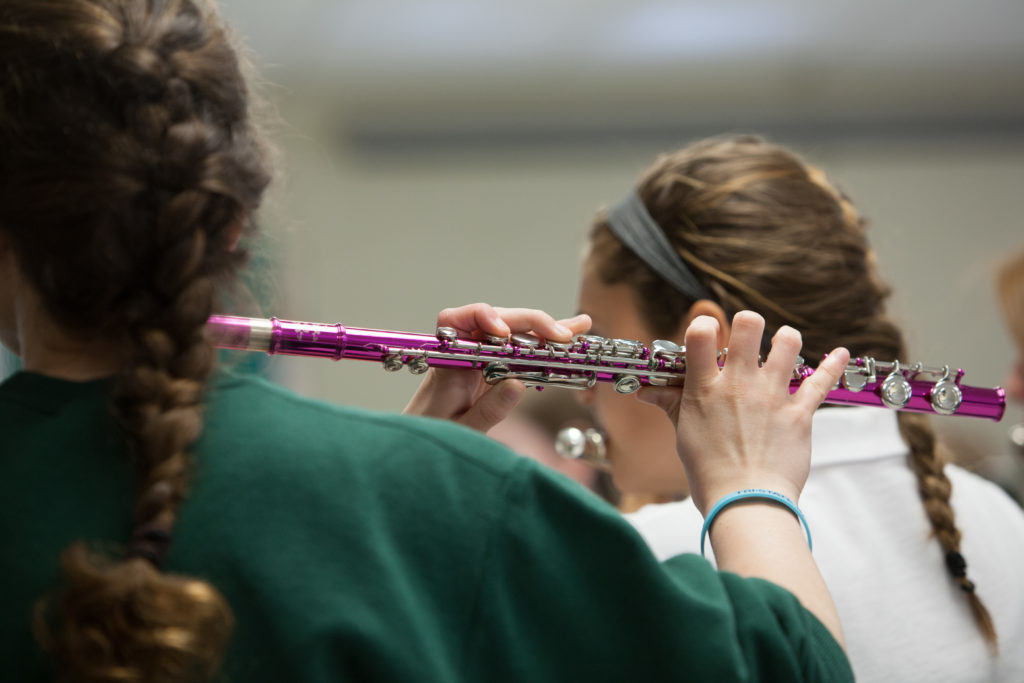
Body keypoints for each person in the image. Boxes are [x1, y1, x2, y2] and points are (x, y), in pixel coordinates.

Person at [0, 2, 856, 682]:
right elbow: (787, 667)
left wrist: (422, 456)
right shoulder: (451, 494)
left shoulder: (433, 484)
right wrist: (750, 484)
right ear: (235, 226)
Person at [574, 134, 1024, 682]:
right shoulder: (1001, 522)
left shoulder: (650, 560)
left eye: (600, 342)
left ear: (709, 342)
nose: (584, 388)